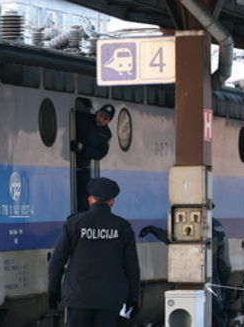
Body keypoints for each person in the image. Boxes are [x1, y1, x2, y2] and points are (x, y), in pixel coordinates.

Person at [48, 177, 140, 326]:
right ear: (112, 202)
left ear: (90, 199)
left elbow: (57, 260)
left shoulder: (74, 223)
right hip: (110, 299)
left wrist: (53, 291)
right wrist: (133, 298)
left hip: (77, 297)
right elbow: (132, 267)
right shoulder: (123, 227)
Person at [138, 206, 230, 327]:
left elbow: (174, 240)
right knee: (215, 319)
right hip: (211, 284)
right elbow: (224, 264)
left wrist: (154, 230)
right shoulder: (216, 227)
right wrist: (222, 286)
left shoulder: (186, 226)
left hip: (185, 281)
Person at [71, 104, 115, 212]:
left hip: (83, 167)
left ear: (108, 121)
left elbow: (100, 154)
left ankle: (81, 217)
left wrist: (83, 149)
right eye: (101, 115)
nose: (101, 119)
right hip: (69, 162)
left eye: (105, 118)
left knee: (83, 197)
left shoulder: (106, 134)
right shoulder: (82, 118)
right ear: (97, 113)